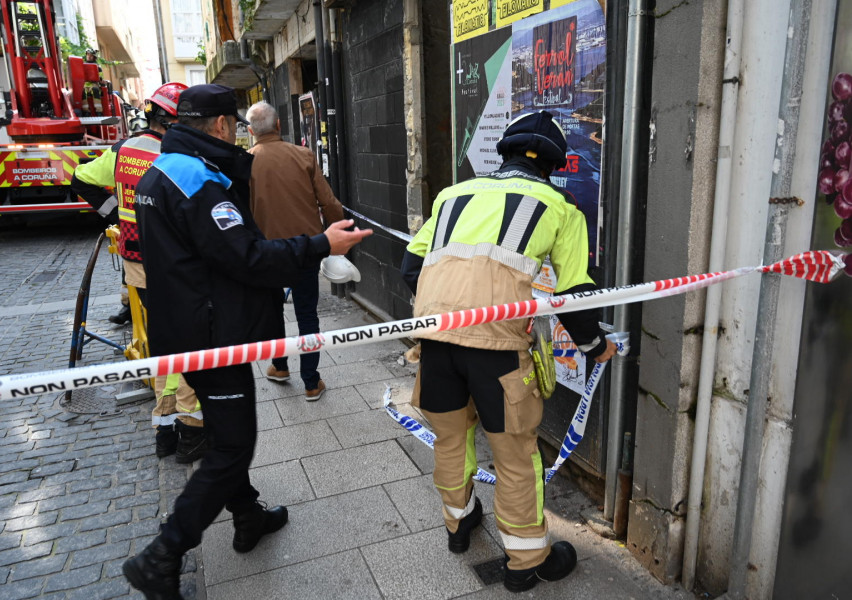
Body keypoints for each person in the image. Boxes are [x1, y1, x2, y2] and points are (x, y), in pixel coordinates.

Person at [122, 83, 372, 599]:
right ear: (218, 126)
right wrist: (324, 244)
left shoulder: (162, 169)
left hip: (183, 328)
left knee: (222, 432)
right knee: (234, 446)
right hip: (211, 338)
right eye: (232, 124)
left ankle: (247, 516)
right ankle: (163, 553)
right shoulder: (198, 181)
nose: (235, 132)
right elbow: (248, 257)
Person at [400, 110, 616, 594]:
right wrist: (595, 346)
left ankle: (458, 526)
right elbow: (574, 290)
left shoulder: (453, 195)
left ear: (504, 151)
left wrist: (447, 312)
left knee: (452, 442)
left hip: (436, 344)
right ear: (556, 165)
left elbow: (410, 268)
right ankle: (525, 560)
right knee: (515, 456)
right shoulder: (560, 208)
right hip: (498, 354)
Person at [71, 82, 208, 465]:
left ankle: (164, 428)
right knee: (187, 347)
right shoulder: (178, 154)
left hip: (138, 265)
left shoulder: (122, 150)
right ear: (174, 122)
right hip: (174, 266)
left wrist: (115, 213)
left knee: (163, 345)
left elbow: (80, 179)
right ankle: (192, 430)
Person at [246, 100, 344, 401]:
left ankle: (279, 366)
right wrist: (338, 230)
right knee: (307, 314)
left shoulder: (243, 162)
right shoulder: (303, 155)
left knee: (273, 313)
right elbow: (328, 202)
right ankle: (311, 382)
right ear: (279, 126)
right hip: (306, 248)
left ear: (250, 131)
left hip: (267, 251)